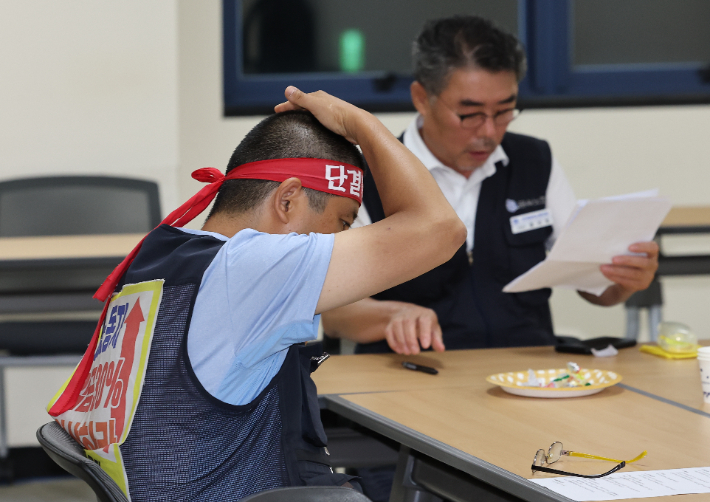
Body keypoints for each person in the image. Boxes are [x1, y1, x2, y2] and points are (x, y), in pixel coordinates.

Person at [46, 88, 466, 501]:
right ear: (288, 200)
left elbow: (311, 315)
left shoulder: (171, 259)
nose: (345, 239)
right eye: (342, 223)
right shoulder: (251, 266)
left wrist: (387, 314)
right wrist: (360, 123)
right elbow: (440, 228)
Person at [322, 15, 659, 355]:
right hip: (416, 374)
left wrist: (623, 281)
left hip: (529, 371)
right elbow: (335, 313)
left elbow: (590, 286)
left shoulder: (534, 161)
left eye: (504, 111)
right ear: (422, 98)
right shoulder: (368, 174)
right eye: (470, 114)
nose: (488, 132)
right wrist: (393, 315)